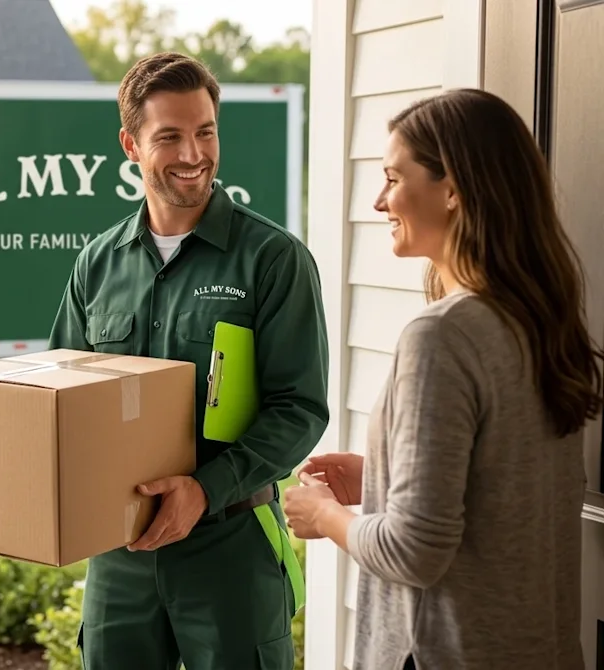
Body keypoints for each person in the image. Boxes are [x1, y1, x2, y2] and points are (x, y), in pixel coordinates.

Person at [282, 87, 600, 670]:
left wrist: (324, 516)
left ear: (452, 189)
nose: (379, 201)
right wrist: (380, 476)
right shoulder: (541, 320)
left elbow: (416, 550)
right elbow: (504, 486)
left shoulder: (442, 336)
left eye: (393, 178)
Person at [47, 51, 329, 670]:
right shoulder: (97, 265)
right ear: (130, 144)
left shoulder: (273, 260)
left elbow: (300, 409)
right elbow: (62, 398)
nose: (193, 154)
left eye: (205, 131)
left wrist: (204, 490)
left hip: (230, 544)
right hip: (121, 553)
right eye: (169, 136)